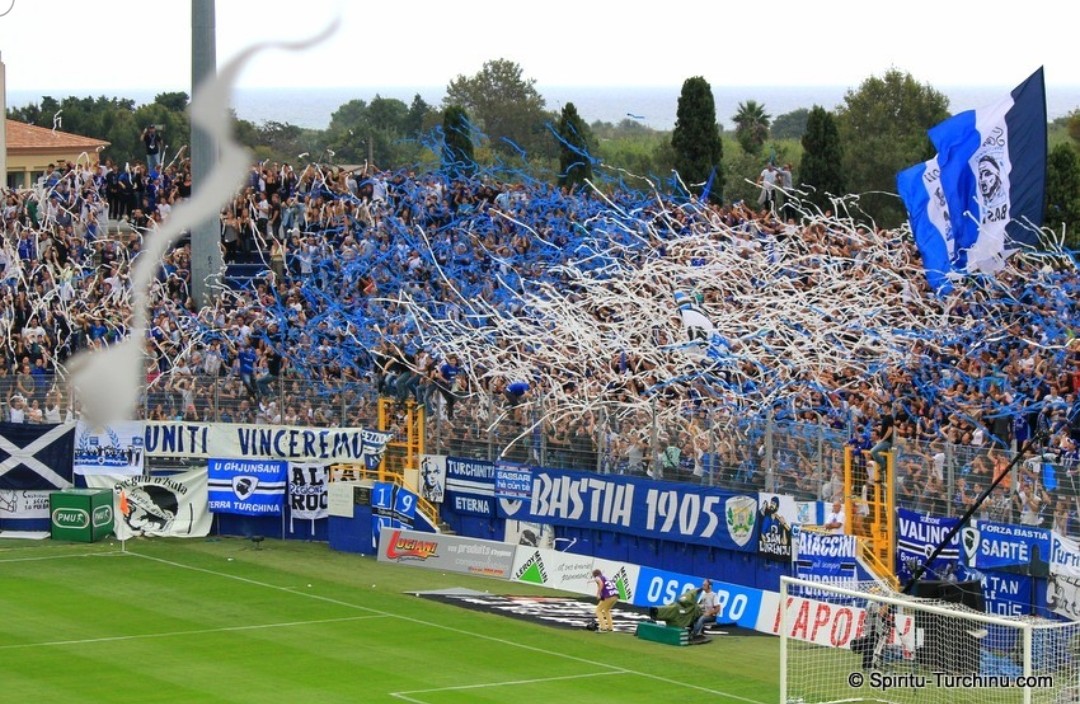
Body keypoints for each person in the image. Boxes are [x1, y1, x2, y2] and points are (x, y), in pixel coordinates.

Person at [592, 568, 619, 632]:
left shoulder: (597, 578)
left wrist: (598, 593)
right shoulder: (606, 578)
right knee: (606, 610)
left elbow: (601, 584)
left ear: (594, 575)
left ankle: (603, 627)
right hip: (616, 595)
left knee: (598, 610)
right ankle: (610, 627)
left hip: (609, 596)